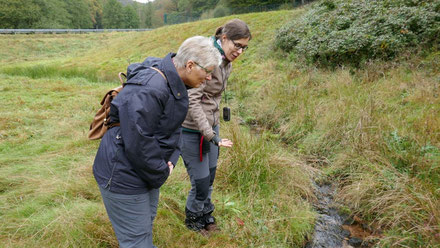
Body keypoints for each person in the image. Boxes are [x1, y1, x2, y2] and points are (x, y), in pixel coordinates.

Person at [92, 36, 221, 248]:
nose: (209, 78)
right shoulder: (151, 88)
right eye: (207, 71)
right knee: (137, 241)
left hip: (144, 172)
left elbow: (165, 129)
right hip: (123, 175)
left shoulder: (173, 81)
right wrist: (161, 171)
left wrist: (164, 163)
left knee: (144, 227)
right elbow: (138, 141)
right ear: (190, 65)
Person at [181, 19, 252, 234]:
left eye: (244, 48)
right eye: (237, 45)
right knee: (200, 180)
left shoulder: (226, 59)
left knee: (210, 175)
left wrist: (214, 129)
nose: (240, 51)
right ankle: (193, 219)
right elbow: (192, 101)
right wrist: (210, 134)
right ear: (224, 38)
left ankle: (205, 213)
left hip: (212, 128)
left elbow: (213, 96)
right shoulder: (208, 58)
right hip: (192, 129)